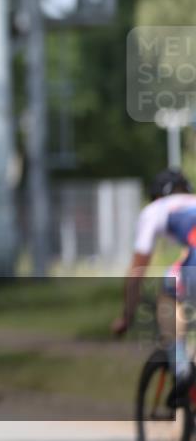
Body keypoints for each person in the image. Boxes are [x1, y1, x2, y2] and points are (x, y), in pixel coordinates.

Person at [112, 169, 196, 406]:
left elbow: (137, 271)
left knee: (168, 292)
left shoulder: (155, 210)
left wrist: (126, 316)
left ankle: (181, 369)